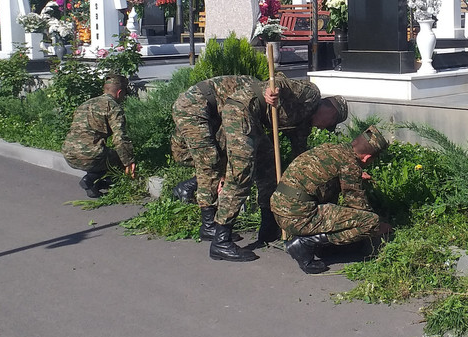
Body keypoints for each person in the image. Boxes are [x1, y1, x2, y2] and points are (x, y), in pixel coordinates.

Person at [170, 73, 348, 262]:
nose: (325, 128)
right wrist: (270, 91)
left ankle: (268, 225)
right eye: (331, 124)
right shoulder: (311, 94)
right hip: (239, 110)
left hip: (250, 119)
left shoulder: (304, 124)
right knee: (240, 173)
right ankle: (221, 240)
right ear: (332, 111)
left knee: (267, 164)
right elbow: (280, 81)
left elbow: (299, 157)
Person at [271, 125, 391, 274]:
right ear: (367, 157)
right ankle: (304, 243)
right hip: (297, 216)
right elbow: (358, 206)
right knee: (370, 222)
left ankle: (317, 243)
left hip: (280, 207)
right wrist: (380, 226)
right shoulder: (350, 164)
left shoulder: (332, 149)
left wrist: (354, 175)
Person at [62, 74, 136, 198]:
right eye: (124, 94)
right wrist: (129, 162)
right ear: (119, 92)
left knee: (99, 153)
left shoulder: (86, 104)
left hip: (68, 154)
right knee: (117, 158)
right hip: (90, 156)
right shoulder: (113, 107)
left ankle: (94, 185)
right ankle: (92, 180)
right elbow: (120, 139)